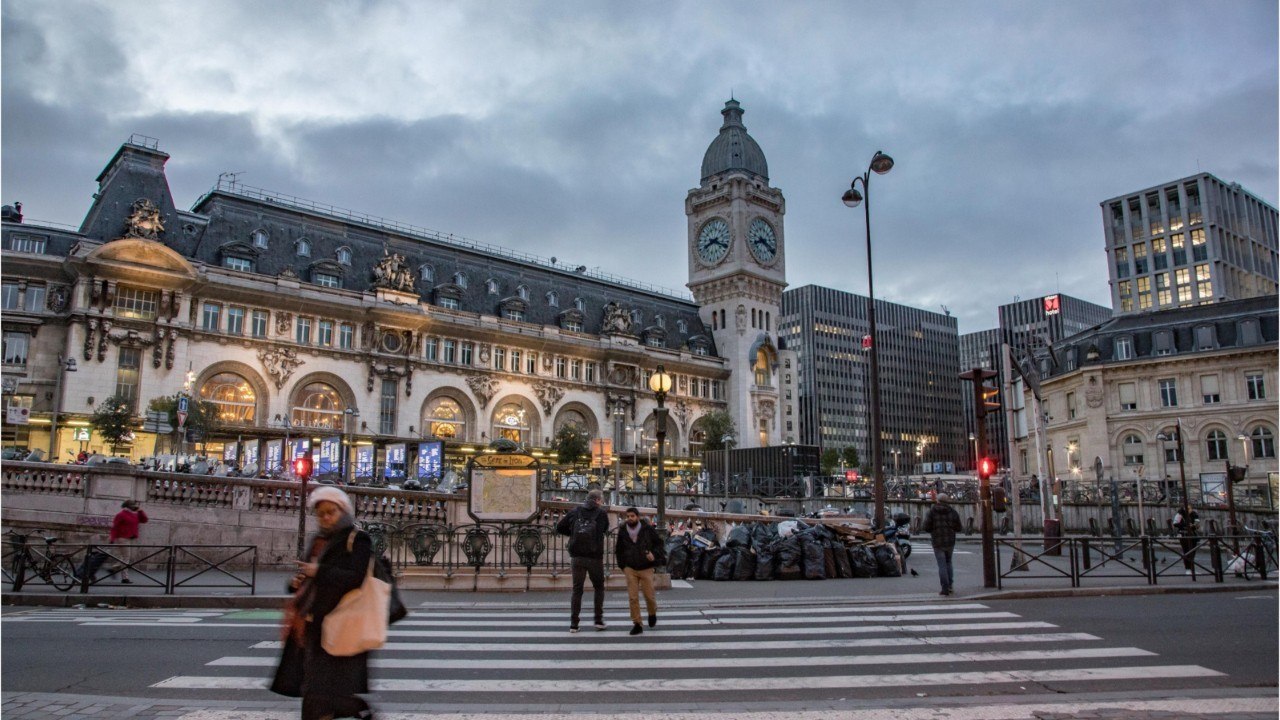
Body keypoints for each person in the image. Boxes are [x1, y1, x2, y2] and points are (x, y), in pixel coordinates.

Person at [271, 486, 375, 719]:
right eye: (321, 513)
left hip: (341, 623)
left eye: (332, 512)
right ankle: (355, 709)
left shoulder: (358, 539)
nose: (326, 517)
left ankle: (358, 710)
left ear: (343, 511)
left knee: (322, 690)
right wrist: (297, 582)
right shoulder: (319, 540)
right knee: (316, 689)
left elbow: (355, 578)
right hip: (312, 624)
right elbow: (308, 578)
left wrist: (319, 571)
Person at [556, 488, 610, 633]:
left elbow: (559, 527)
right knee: (598, 587)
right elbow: (605, 530)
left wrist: (573, 534)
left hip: (577, 557)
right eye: (601, 500)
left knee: (577, 590)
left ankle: (574, 624)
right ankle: (598, 620)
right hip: (594, 557)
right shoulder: (602, 514)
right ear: (598, 500)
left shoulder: (575, 511)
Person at [614, 507, 661, 636]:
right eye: (628, 516)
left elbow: (659, 544)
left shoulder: (647, 529)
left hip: (646, 566)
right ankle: (637, 623)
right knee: (633, 597)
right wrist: (623, 565)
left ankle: (652, 613)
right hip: (630, 567)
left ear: (638, 517)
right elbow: (619, 549)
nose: (630, 518)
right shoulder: (623, 530)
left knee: (649, 596)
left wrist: (654, 555)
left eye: (632, 516)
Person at [921, 493, 962, 596]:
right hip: (950, 541)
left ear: (937, 501)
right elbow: (959, 528)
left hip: (937, 541)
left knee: (941, 564)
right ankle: (950, 585)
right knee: (948, 562)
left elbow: (926, 527)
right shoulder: (952, 512)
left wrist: (933, 530)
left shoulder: (932, 512)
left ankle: (944, 587)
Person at [108, 499, 148, 584]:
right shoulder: (121, 515)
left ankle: (114, 568)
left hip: (130, 538)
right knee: (126, 557)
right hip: (122, 538)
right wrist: (112, 538)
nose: (134, 507)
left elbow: (144, 520)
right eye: (132, 506)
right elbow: (115, 527)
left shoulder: (134, 515)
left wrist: (140, 511)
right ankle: (125, 578)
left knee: (123, 557)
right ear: (127, 506)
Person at [1173, 503, 1201, 575]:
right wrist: (1185, 525)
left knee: (1193, 552)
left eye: (1190, 508)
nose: (1189, 510)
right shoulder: (1180, 514)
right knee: (1186, 551)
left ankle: (1192, 568)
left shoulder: (1194, 514)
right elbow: (1175, 523)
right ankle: (1188, 569)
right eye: (1187, 508)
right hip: (1183, 534)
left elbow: (1197, 523)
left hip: (1192, 534)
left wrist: (1194, 525)